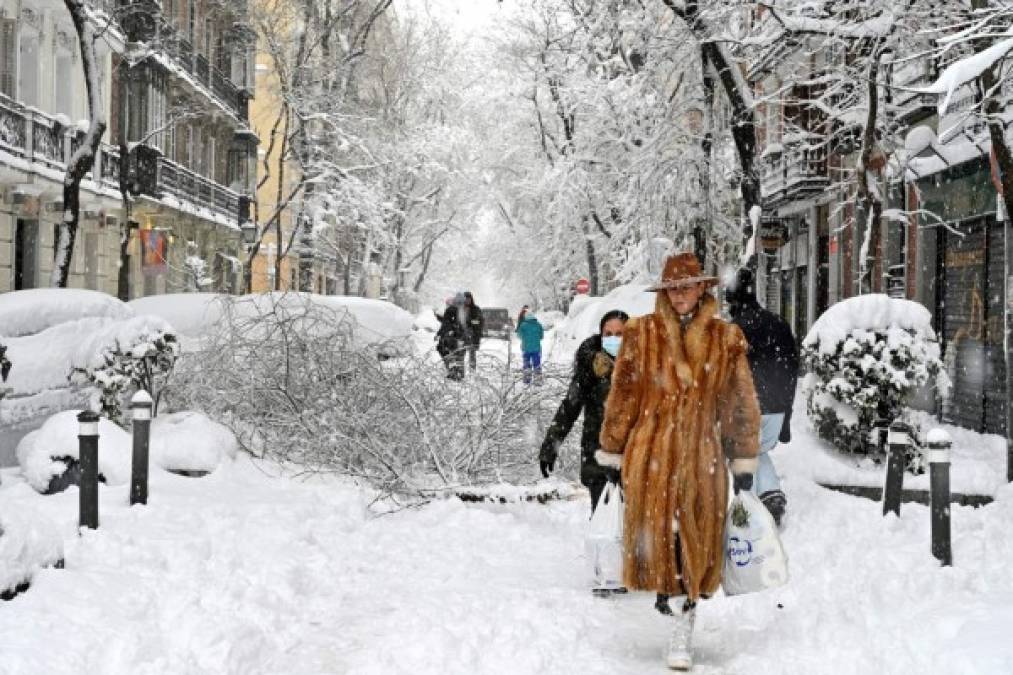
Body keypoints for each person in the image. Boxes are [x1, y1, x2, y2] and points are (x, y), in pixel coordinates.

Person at [597, 251, 760, 671]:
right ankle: (667, 596)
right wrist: (613, 447)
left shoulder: (726, 338)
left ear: (704, 287)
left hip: (702, 455)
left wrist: (742, 457)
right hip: (649, 451)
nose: (680, 295)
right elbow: (624, 395)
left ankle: (684, 624)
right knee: (657, 537)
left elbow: (739, 402)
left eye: (687, 286)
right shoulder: (642, 334)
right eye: (672, 288)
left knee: (697, 539)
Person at [725, 267, 799, 527]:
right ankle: (770, 494)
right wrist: (786, 412)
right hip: (777, 407)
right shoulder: (778, 323)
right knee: (756, 450)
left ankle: (750, 503)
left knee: (743, 452)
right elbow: (792, 368)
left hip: (747, 407)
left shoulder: (734, 329)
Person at [539, 309, 630, 512]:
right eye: (608, 334)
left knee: (636, 530)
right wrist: (550, 446)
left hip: (634, 459)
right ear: (601, 335)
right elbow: (570, 407)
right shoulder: (590, 367)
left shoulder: (642, 365)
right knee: (603, 523)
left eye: (620, 333)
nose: (614, 339)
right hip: (598, 456)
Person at [436, 303, 465, 381]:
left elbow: (445, 327)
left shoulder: (452, 319)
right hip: (450, 342)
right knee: (453, 356)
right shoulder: (454, 318)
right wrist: (438, 334)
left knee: (451, 356)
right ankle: (455, 373)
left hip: (451, 342)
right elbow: (443, 327)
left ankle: (455, 373)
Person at [515, 309, 545, 384]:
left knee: (526, 364)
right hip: (536, 348)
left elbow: (519, 336)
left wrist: (525, 337)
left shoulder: (523, 325)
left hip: (526, 348)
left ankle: (527, 380)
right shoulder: (538, 325)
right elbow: (541, 336)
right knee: (537, 364)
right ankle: (538, 380)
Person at [459, 291, 484, 373]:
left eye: (469, 299)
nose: (467, 300)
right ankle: (460, 372)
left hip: (472, 335)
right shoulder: (459, 309)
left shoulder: (476, 309)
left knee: (472, 355)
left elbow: (480, 322)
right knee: (460, 355)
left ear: (471, 299)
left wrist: (471, 322)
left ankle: (472, 373)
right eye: (465, 299)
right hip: (461, 335)